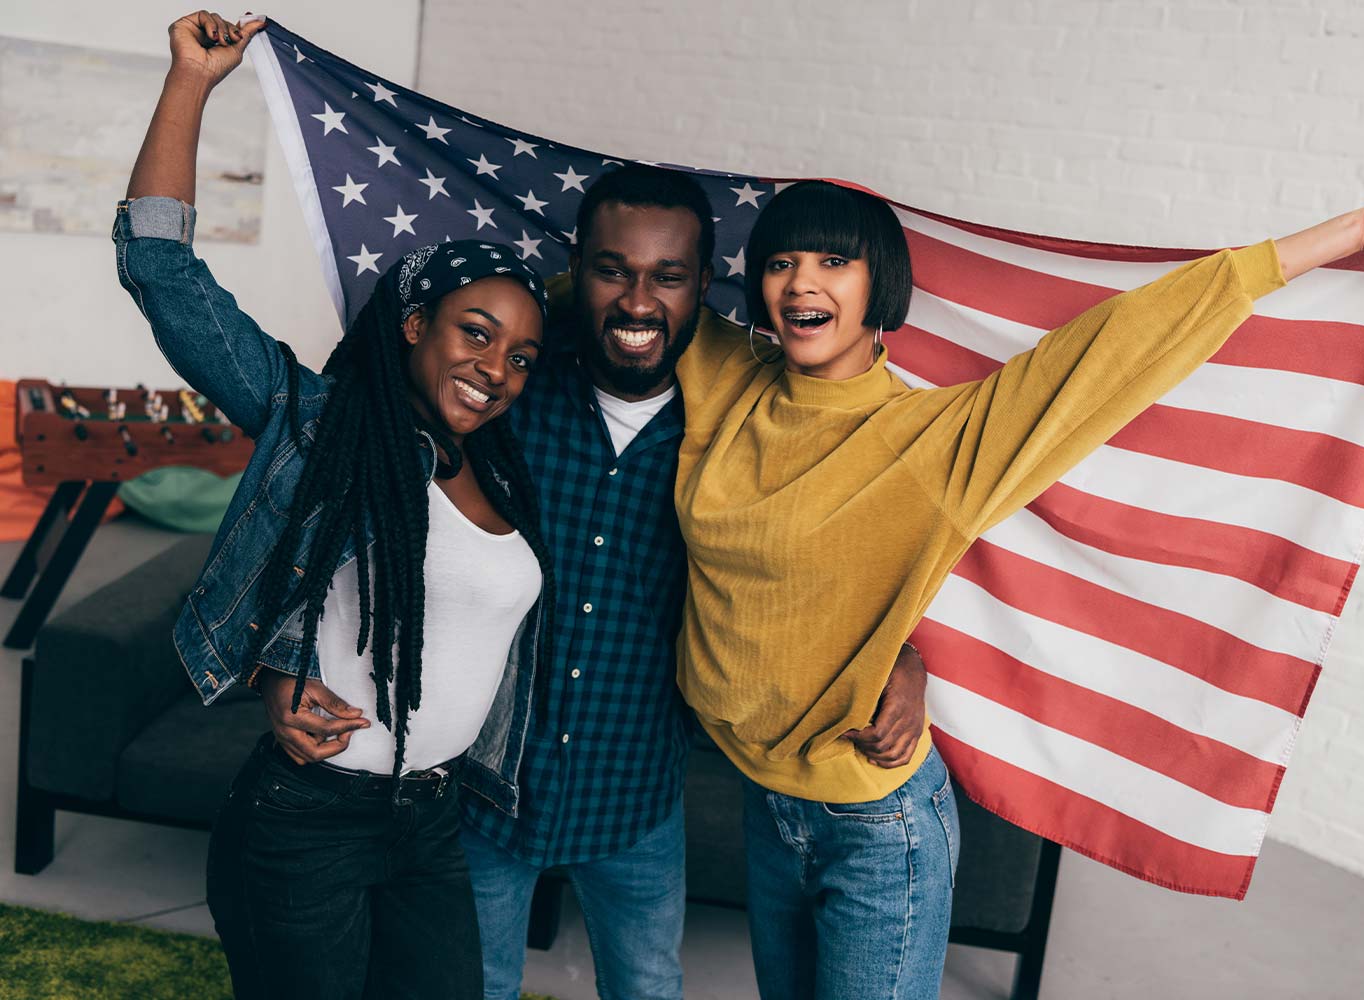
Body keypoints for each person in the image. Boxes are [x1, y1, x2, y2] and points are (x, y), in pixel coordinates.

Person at [670, 179, 1364, 1000]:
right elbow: (613, 287)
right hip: (764, 801)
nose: (801, 281)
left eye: (833, 261)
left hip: (874, 824)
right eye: (781, 262)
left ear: (881, 285)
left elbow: (1116, 348)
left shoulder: (937, 441)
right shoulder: (726, 377)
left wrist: (1357, 229)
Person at [257, 162, 931, 1000]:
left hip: (636, 788)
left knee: (647, 986)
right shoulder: (504, 386)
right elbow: (341, 489)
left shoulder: (738, 421)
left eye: (670, 277)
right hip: (482, 786)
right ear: (578, 273)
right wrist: (281, 653)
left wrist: (903, 657)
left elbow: (820, 563)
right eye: (613, 271)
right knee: (474, 987)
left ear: (705, 288)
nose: (640, 301)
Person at [116, 12, 554, 999]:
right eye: (475, 333)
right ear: (411, 326)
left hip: (433, 820)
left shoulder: (510, 472)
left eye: (520, 354)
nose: (495, 368)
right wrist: (191, 81)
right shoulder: (321, 423)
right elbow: (163, 275)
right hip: (308, 817)